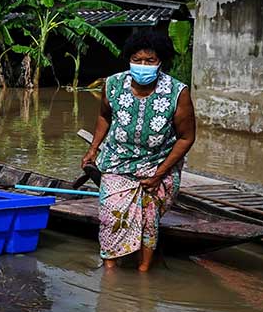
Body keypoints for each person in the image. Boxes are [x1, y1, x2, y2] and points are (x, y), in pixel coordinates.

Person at [81, 30, 196, 271]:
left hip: (157, 165)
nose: (142, 66)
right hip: (117, 162)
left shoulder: (177, 93)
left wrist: (159, 174)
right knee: (111, 217)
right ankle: (110, 270)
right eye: (137, 60)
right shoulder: (113, 85)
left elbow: (186, 138)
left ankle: (144, 271)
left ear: (160, 61)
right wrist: (93, 149)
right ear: (129, 60)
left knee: (148, 222)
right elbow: (104, 116)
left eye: (149, 61)